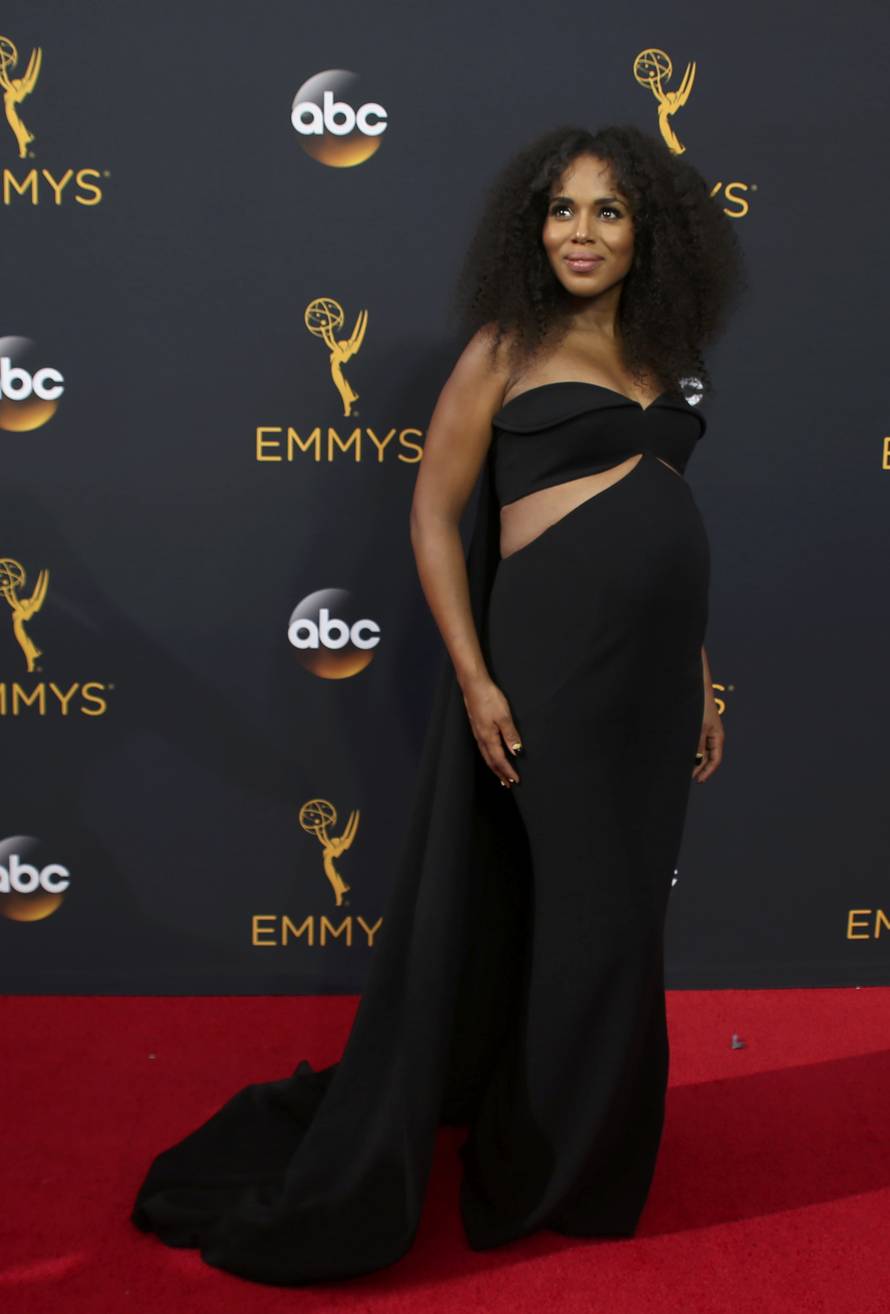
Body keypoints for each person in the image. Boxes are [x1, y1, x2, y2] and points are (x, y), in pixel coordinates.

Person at [130, 123, 747, 1286]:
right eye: (561, 210)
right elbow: (431, 514)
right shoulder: (503, 349)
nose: (580, 231)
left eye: (606, 212)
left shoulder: (664, 357)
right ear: (534, 227)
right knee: (578, 916)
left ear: (643, 235)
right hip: (546, 671)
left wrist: (702, 676)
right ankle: (536, 1171)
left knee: (620, 922)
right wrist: (473, 674)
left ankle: (587, 1154)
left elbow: (661, 524)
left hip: (654, 684)